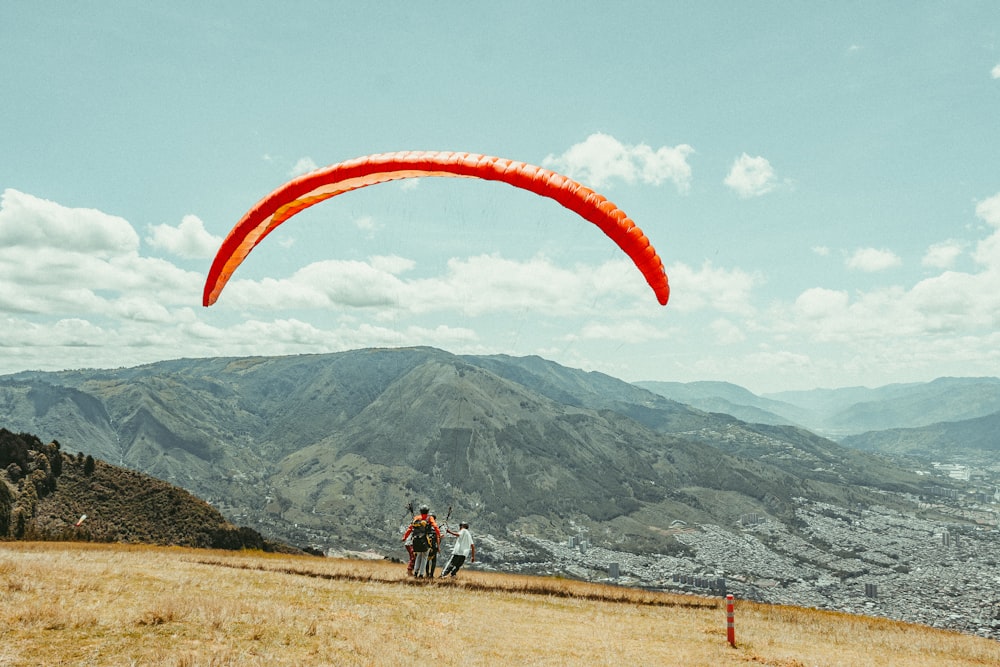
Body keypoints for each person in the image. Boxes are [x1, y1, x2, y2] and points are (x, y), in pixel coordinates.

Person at [401, 505, 440, 577]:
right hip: (425, 540)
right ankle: (421, 574)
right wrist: (438, 534)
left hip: (416, 540)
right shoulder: (429, 518)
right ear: (428, 511)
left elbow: (410, 528)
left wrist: (404, 537)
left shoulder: (416, 518)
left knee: (418, 556)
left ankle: (415, 572)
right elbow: (435, 526)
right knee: (424, 557)